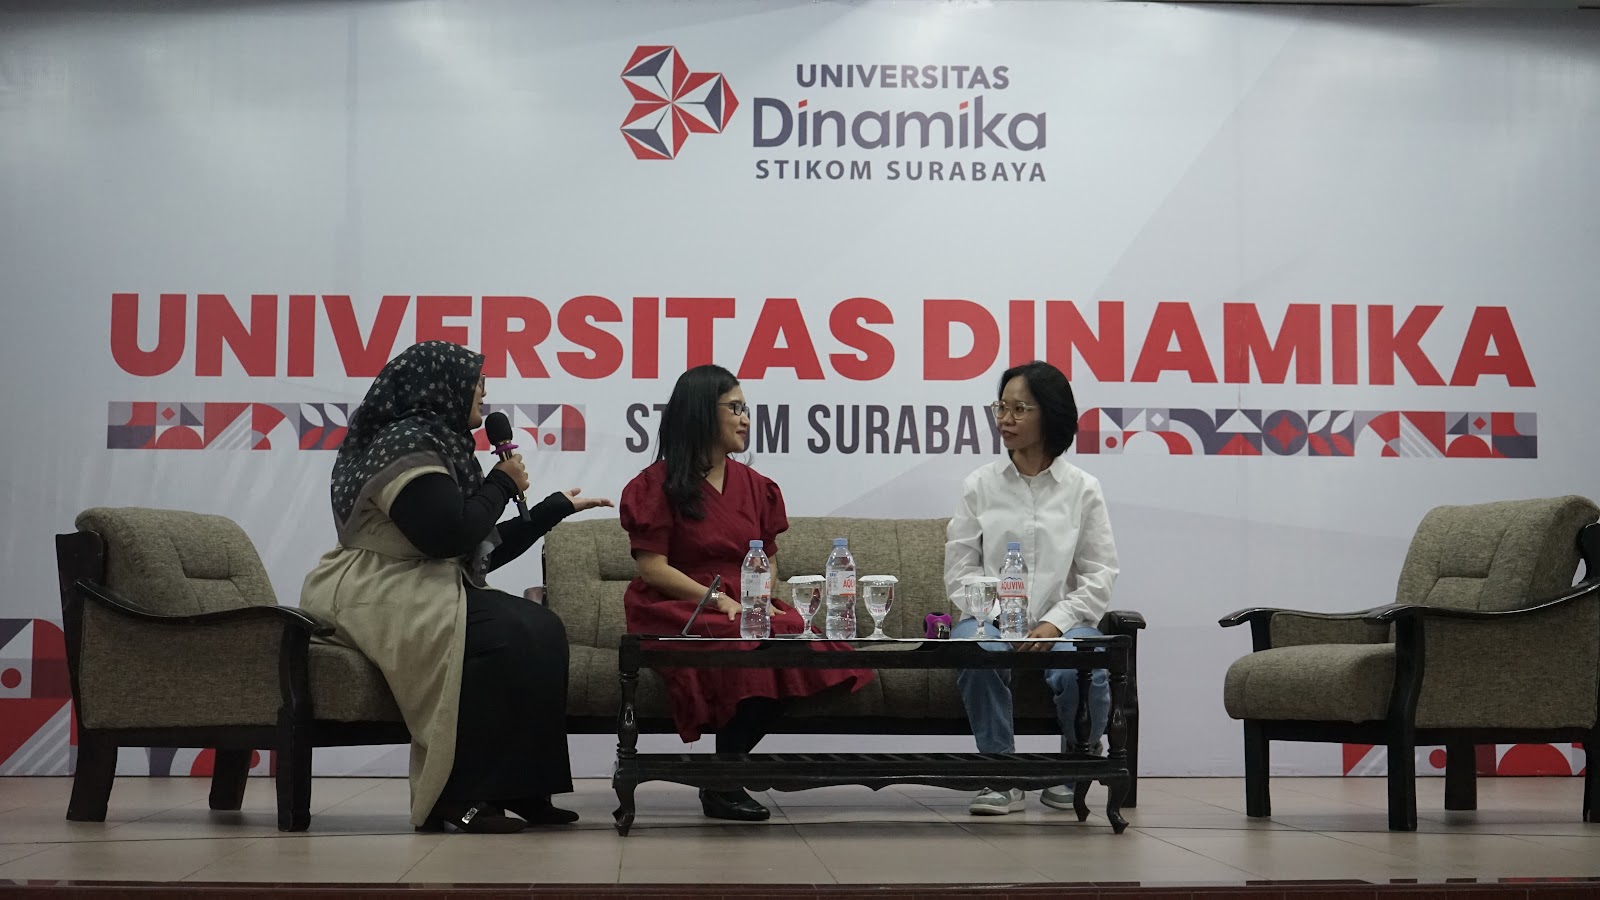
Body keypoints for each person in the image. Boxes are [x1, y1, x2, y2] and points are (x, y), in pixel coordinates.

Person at [299, 341, 612, 833]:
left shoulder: (443, 444)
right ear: (438, 386)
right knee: (502, 632)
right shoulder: (406, 444)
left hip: (421, 581)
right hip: (374, 587)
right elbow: (447, 536)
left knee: (540, 627)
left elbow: (473, 548)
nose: (484, 391)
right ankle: (457, 797)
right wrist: (502, 483)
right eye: (476, 381)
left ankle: (523, 788)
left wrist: (549, 510)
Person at [619, 364, 874, 822]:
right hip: (682, 603)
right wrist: (720, 600)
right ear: (702, 412)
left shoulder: (757, 486)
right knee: (744, 639)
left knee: (795, 636)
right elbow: (653, 568)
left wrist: (761, 596)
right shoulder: (655, 484)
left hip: (744, 599)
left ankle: (722, 772)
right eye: (735, 408)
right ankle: (725, 780)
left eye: (746, 409)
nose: (745, 419)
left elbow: (768, 557)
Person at [943, 359, 1119, 816]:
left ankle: (1073, 768)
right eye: (1001, 407)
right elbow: (960, 570)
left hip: (1065, 623)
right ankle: (1000, 775)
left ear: (1051, 414)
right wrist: (1000, 617)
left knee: (1085, 665)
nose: (1005, 419)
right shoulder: (979, 485)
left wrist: (1054, 623)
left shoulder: (1083, 489)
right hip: (990, 618)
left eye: (1019, 409)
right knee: (975, 649)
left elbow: (1100, 573)